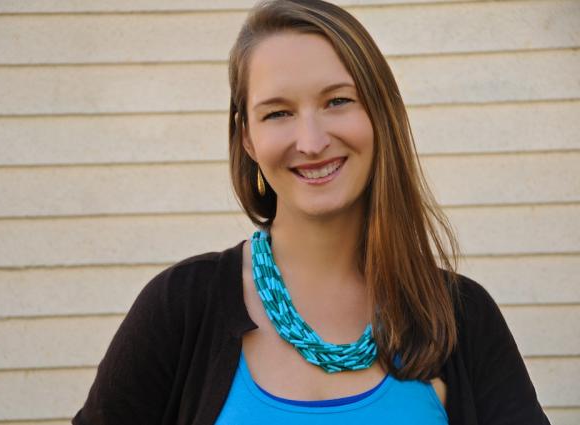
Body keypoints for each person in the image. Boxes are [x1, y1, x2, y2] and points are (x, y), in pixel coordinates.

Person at [72, 1, 550, 424]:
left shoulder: (461, 316)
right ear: (247, 138)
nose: (312, 141)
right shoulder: (179, 308)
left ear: (380, 115)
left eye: (337, 101)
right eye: (278, 113)